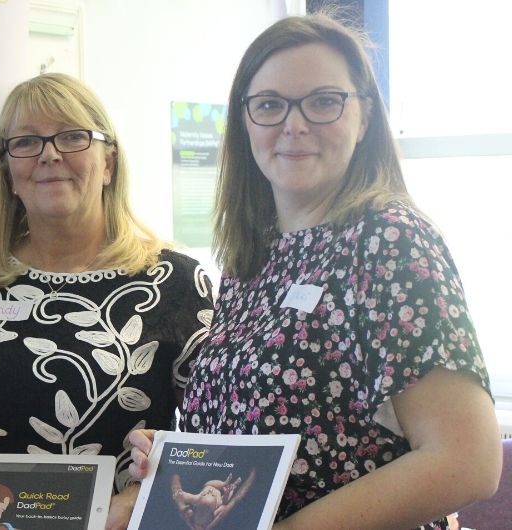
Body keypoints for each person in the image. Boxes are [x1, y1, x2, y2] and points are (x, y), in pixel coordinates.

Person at [128, 12, 501, 530]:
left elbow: (467, 461)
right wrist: (175, 454)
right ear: (245, 121)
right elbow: (262, 425)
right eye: (270, 105)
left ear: (364, 117)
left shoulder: (390, 241)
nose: (294, 124)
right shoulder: (253, 256)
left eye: (325, 101)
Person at [0, 73, 215, 530]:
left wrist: (139, 496)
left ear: (109, 163)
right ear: (8, 171)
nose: (50, 154)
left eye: (73, 137)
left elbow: (206, 442)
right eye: (27, 141)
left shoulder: (175, 282)